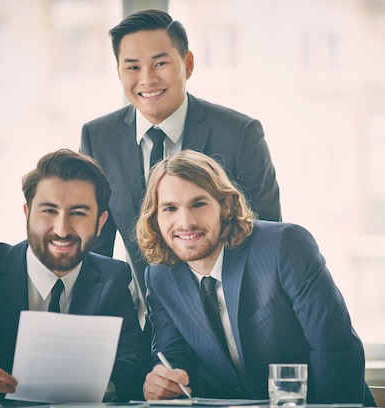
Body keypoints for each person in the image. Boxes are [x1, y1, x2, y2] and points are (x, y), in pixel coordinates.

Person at [80, 9, 281, 327]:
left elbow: (267, 236)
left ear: (187, 64)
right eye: (132, 66)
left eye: (160, 63)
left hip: (232, 320)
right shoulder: (97, 138)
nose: (147, 79)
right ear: (119, 72)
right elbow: (94, 250)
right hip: (147, 326)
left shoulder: (240, 133)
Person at [136, 150, 375, 405]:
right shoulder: (160, 276)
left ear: (226, 205)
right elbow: (174, 358)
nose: (185, 222)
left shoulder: (284, 246)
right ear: (156, 218)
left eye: (198, 204)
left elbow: (335, 348)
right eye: (170, 208)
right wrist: (164, 382)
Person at [0, 149, 149, 404]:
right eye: (49, 211)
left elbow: (133, 364)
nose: (61, 229)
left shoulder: (113, 276)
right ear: (27, 214)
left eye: (79, 213)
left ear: (101, 222)